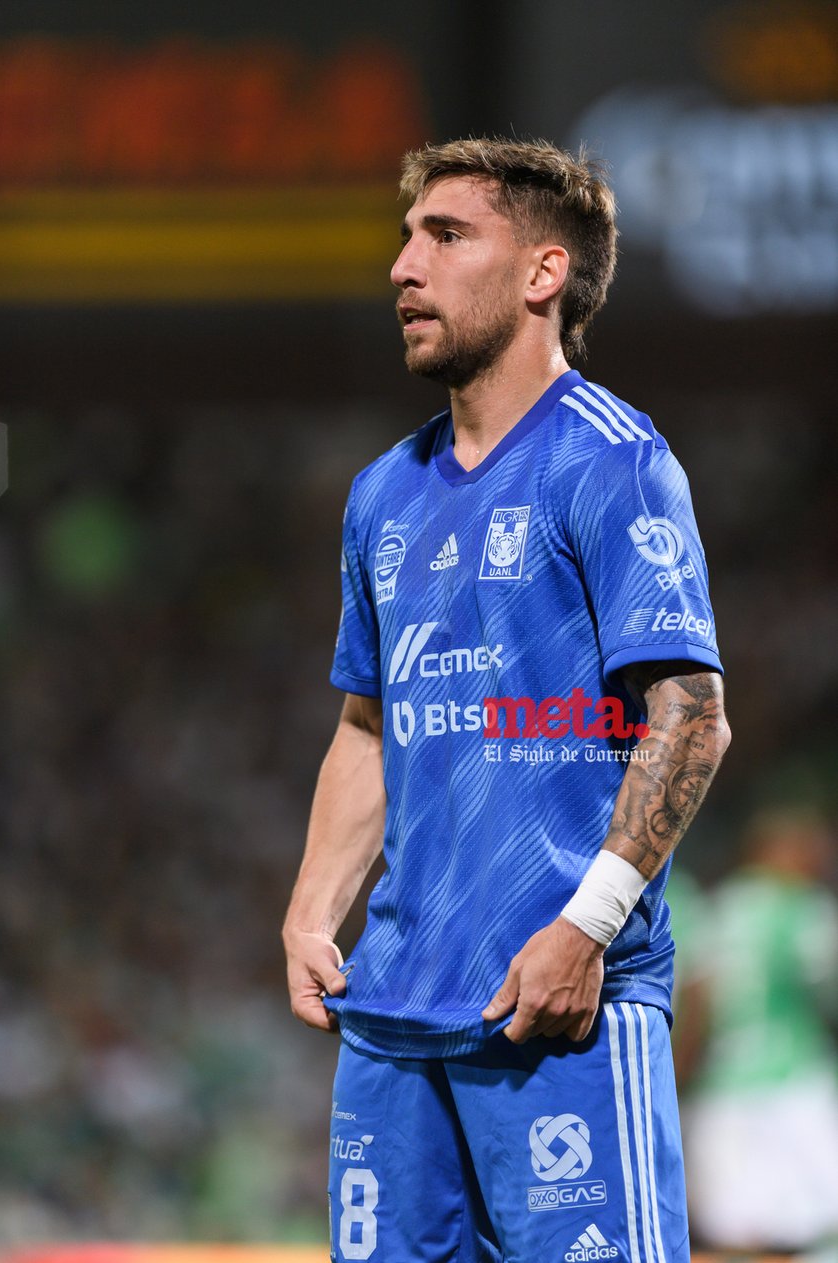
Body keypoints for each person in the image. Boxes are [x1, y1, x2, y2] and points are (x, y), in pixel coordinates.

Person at [283, 137, 731, 1263]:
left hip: (556, 1007)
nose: (401, 266)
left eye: (443, 236)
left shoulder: (611, 461)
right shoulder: (382, 490)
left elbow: (690, 716)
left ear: (541, 274)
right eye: (404, 237)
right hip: (391, 1019)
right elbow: (367, 728)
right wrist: (308, 907)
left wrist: (583, 932)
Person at [682, 806, 838, 1254]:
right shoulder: (803, 908)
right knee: (811, 1232)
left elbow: (699, 1002)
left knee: (733, 1236)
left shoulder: (719, 906)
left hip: (723, 1091)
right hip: (795, 1082)